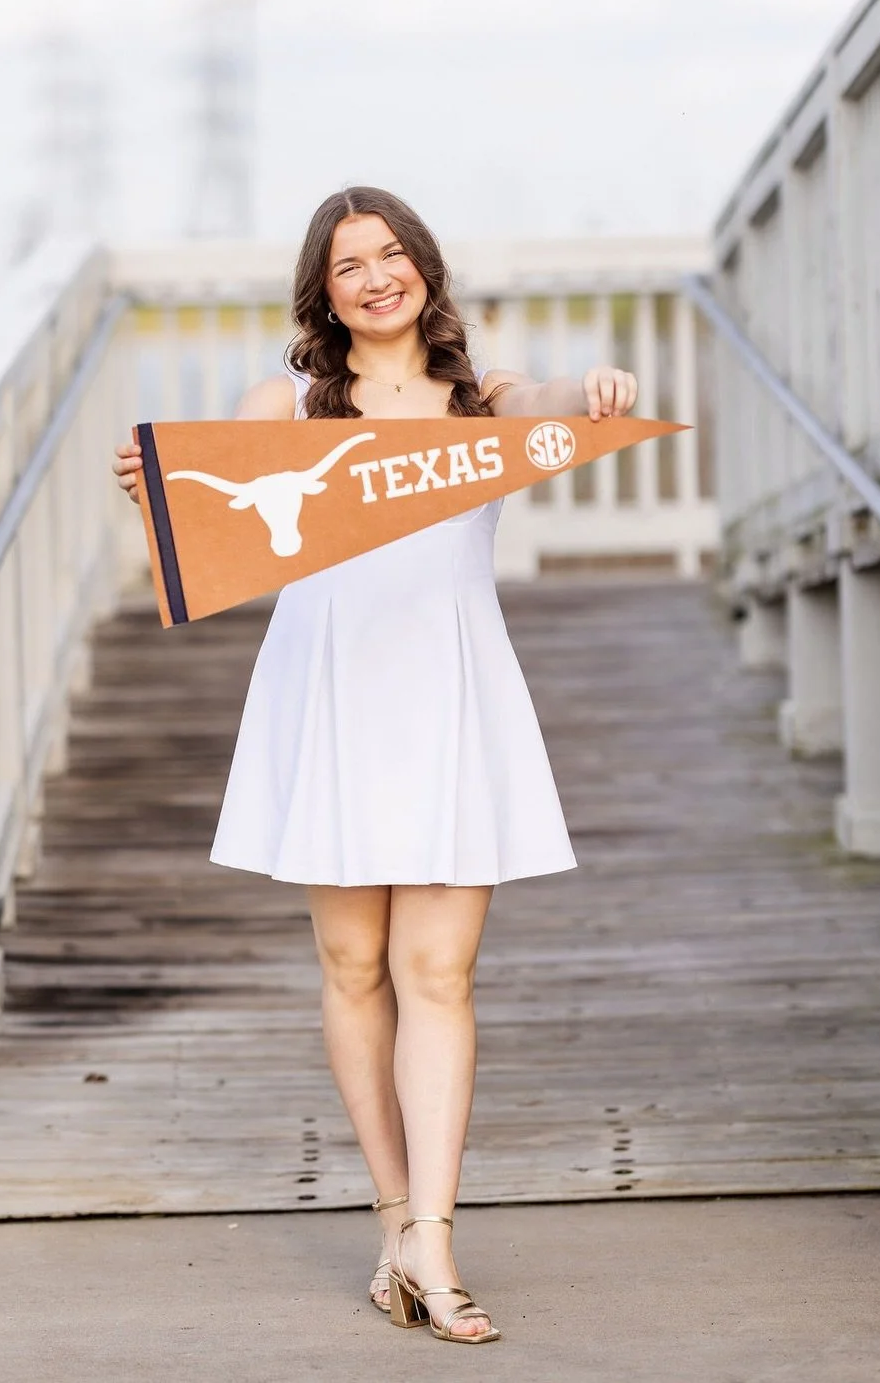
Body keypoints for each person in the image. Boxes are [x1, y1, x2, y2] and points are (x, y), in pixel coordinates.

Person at [112, 185, 637, 1344]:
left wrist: (594, 392)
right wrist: (163, 489)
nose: (377, 275)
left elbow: (548, 402)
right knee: (356, 967)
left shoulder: (480, 397)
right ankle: (394, 1220)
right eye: (351, 262)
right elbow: (209, 495)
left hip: (453, 695)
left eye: (393, 253)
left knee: (437, 972)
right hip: (332, 692)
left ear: (426, 270)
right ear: (324, 289)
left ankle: (436, 1246)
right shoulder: (290, 402)